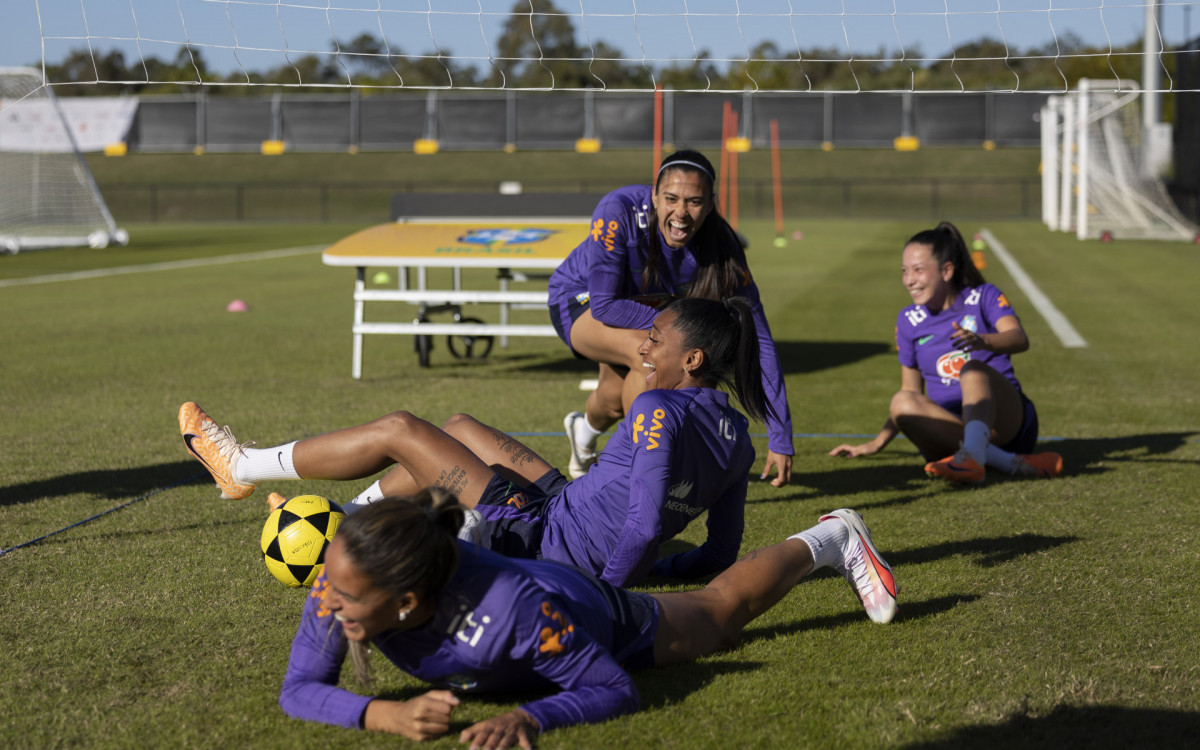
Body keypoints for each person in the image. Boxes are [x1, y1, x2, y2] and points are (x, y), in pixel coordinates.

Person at [180, 297, 767, 587]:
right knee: (459, 428)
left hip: (544, 540)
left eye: (655, 339)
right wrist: (656, 571)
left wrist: (607, 595)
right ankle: (348, 520)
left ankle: (243, 465)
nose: (642, 347)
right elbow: (717, 554)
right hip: (563, 508)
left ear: (691, 359)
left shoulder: (657, 408)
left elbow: (641, 524)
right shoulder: (739, 439)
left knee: (402, 430)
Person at [278, 489, 898, 749]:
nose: (327, 601)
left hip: (581, 607)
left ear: (407, 601)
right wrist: (385, 714)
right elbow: (299, 691)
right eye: (330, 582)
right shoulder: (342, 581)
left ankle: (832, 537)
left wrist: (528, 715)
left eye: (345, 596)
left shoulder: (518, 612)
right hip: (507, 604)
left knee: (719, 618)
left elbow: (611, 687)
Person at [547, 149, 794, 486]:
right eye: (671, 198)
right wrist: (678, 326)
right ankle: (636, 478)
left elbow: (759, 337)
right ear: (654, 195)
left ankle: (583, 431)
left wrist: (780, 434)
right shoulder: (618, 210)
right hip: (582, 300)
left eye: (694, 202)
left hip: (645, 311)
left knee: (613, 399)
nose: (681, 213)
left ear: (709, 205)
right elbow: (605, 305)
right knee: (652, 359)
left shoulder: (722, 245)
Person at [828, 221, 1063, 483]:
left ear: (947, 270)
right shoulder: (908, 319)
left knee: (971, 369)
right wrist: (876, 443)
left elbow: (1019, 338)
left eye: (918, 270)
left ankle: (974, 457)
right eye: (904, 271)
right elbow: (911, 393)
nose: (909, 280)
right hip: (950, 431)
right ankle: (1004, 463)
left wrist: (982, 341)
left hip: (1007, 424)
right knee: (901, 400)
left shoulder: (982, 296)